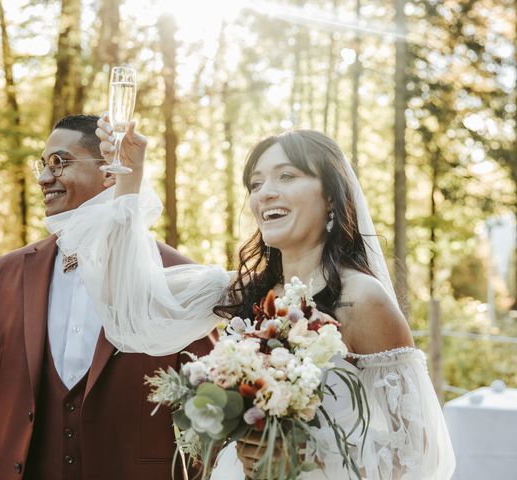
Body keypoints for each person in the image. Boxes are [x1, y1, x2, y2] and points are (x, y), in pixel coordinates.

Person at [56, 116, 456, 479]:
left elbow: (417, 454)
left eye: (286, 176)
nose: (265, 193)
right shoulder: (245, 290)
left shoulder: (362, 300)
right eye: (256, 183)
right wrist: (130, 177)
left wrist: (304, 460)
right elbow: (130, 308)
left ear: (331, 197)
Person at [0, 114, 213, 480]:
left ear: (110, 170)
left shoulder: (173, 274)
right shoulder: (9, 272)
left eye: (60, 162)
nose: (43, 178)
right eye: (43, 164)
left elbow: (216, 404)